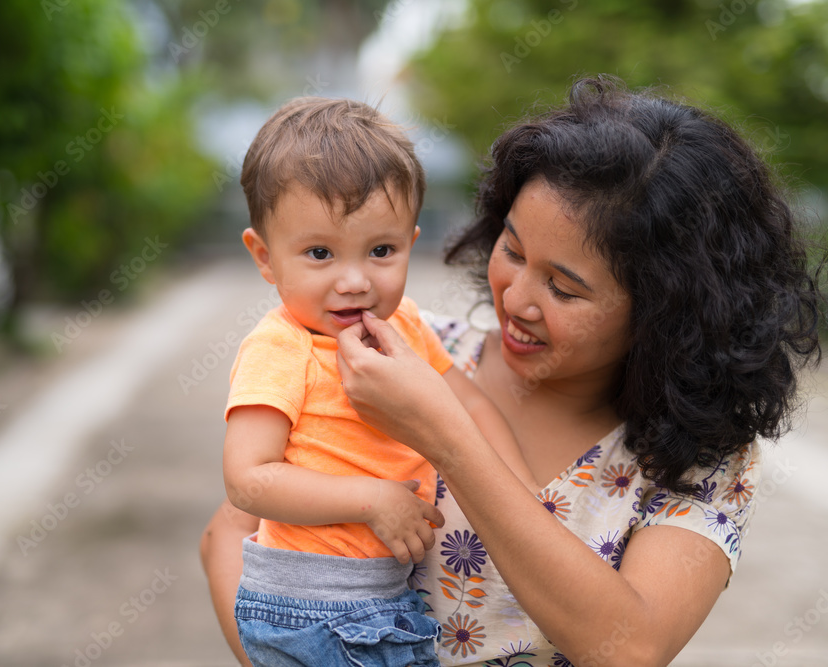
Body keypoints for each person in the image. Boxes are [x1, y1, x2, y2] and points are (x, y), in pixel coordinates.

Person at [202, 76, 824, 666]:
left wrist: (446, 436)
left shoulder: (702, 461)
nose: (515, 298)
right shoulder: (390, 352)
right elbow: (233, 535)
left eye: (563, 288)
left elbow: (630, 650)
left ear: (665, 314)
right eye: (513, 250)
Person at [222, 97, 536, 667]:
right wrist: (372, 500)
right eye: (320, 253)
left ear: (410, 243)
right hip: (312, 603)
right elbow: (248, 480)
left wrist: (523, 498)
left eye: (381, 251)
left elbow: (471, 406)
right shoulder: (282, 347)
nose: (354, 281)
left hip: (384, 595)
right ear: (265, 257)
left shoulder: (405, 325)